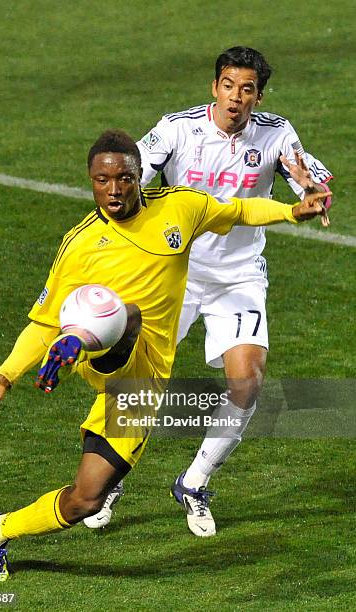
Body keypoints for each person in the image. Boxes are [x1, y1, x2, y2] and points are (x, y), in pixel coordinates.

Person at [0, 129, 330, 582]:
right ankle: (80, 339)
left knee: (86, 499)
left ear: (141, 175)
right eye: (102, 181)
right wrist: (5, 375)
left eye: (124, 178)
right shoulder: (79, 244)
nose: (113, 190)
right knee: (128, 314)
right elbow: (43, 321)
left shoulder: (181, 205)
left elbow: (238, 210)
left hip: (142, 385)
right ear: (90, 180)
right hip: (104, 355)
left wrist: (292, 211)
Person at [84, 47, 333, 536]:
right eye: (227, 86)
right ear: (213, 87)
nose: (235, 97)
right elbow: (131, 174)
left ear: (258, 96)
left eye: (246, 90)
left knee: (248, 381)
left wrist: (311, 187)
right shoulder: (178, 129)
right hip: (174, 273)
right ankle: (107, 478)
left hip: (239, 275)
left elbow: (309, 176)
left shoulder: (277, 133)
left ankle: (193, 482)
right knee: (135, 382)